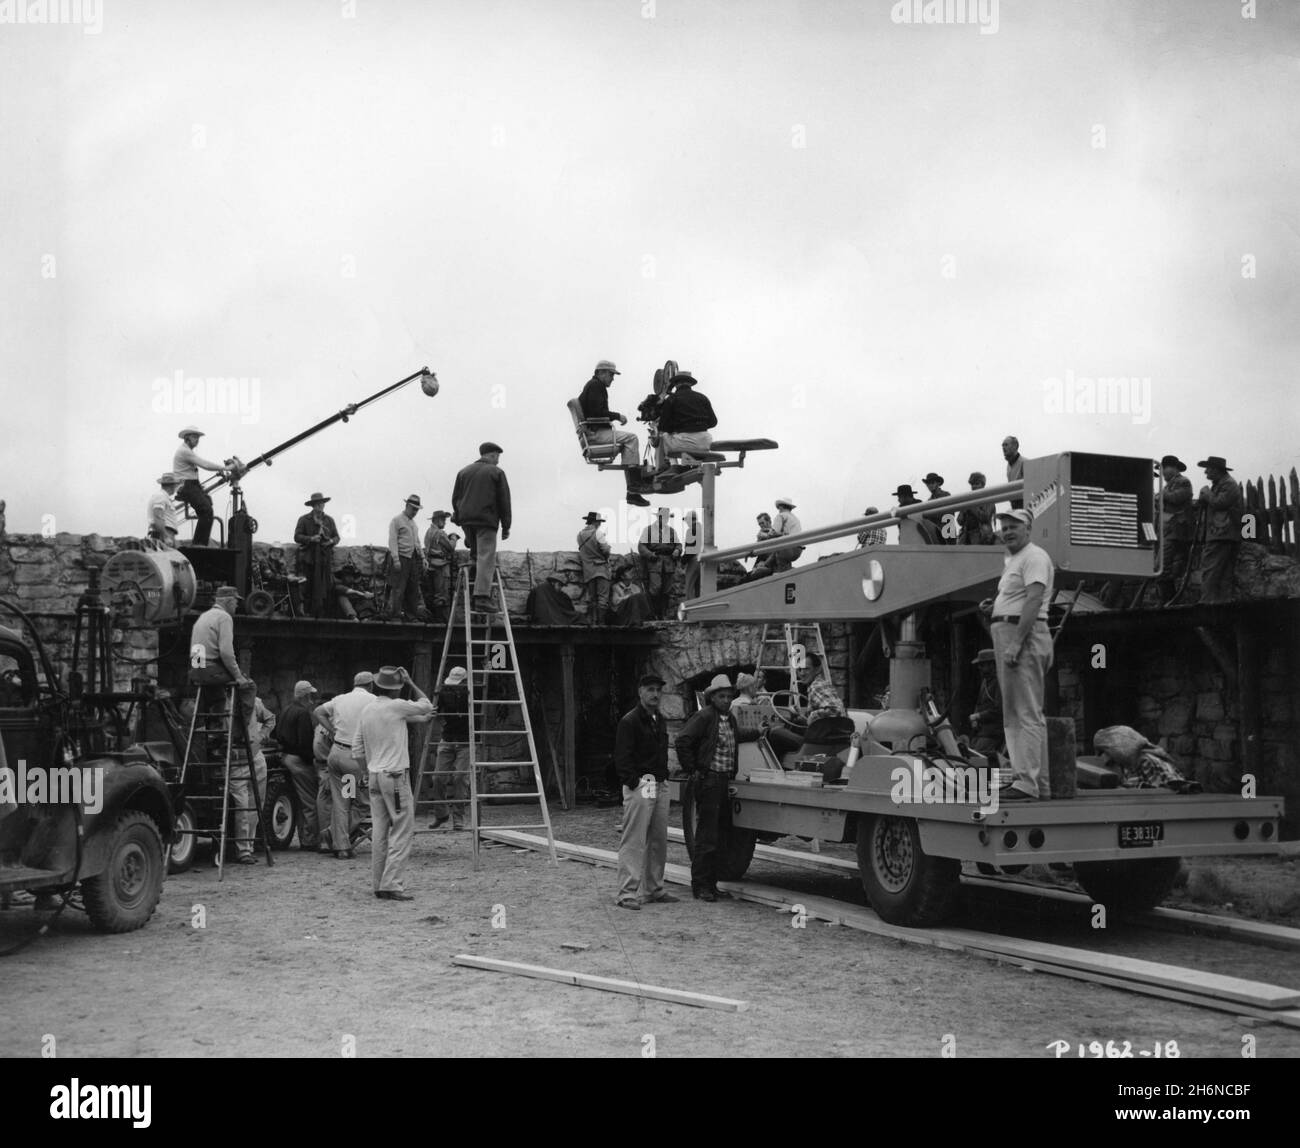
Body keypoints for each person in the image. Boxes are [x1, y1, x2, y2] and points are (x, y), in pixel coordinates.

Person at [984, 508, 1054, 800]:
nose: (1008, 531)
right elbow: (1022, 597)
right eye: (1004, 527)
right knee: (1018, 711)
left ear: (1028, 529)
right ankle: (1038, 782)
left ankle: (1027, 783)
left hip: (1022, 636)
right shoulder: (1016, 559)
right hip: (1010, 631)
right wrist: (997, 608)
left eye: (1014, 526)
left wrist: (1016, 644)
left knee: (1023, 713)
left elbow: (1034, 600)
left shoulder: (1034, 556)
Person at [352, 666, 435, 902]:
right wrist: (411, 681)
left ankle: (379, 883)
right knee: (402, 828)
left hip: (375, 774)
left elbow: (357, 747)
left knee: (379, 831)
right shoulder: (396, 706)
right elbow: (426, 704)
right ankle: (392, 884)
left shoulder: (368, 710)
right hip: (395, 776)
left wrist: (365, 771)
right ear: (397, 688)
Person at [674, 674, 760, 902]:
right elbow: (682, 741)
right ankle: (701, 885)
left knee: (720, 834)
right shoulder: (704, 717)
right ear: (712, 697)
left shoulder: (728, 718)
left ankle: (711, 884)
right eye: (721, 696)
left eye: (728, 696)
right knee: (706, 835)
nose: (726, 700)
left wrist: (759, 731)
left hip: (724, 781)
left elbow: (737, 736)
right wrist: (694, 770)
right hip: (709, 780)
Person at [613, 673, 676, 909]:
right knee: (634, 839)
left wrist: (664, 778)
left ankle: (653, 888)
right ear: (640, 692)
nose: (655, 694)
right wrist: (634, 782)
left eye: (658, 690)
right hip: (642, 783)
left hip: (659, 782)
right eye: (650, 690)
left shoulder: (659, 719)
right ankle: (626, 892)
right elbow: (622, 756)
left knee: (658, 840)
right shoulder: (629, 721)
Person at [315, 670, 378, 860]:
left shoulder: (340, 699)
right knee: (363, 802)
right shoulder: (373, 701)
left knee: (343, 800)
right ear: (371, 685)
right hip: (355, 758)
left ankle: (340, 844)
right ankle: (335, 836)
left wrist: (332, 730)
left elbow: (318, 712)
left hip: (337, 754)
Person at [578, 360, 651, 507]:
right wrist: (618, 416)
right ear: (601, 373)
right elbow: (596, 412)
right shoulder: (596, 386)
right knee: (632, 438)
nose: (613, 378)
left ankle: (633, 492)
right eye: (611, 374)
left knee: (628, 444)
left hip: (593, 431)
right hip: (595, 433)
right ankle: (634, 487)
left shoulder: (593, 386)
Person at [452, 442, 512, 615]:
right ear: (492, 455)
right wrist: (506, 526)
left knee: (475, 555)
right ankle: (481, 597)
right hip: (486, 520)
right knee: (486, 557)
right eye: (497, 457)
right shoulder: (496, 472)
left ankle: (472, 590)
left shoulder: (463, 472)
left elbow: (456, 497)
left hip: (467, 521)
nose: (498, 461)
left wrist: (459, 518)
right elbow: (504, 501)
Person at [275, 680, 323, 851]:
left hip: (285, 757)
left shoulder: (286, 709)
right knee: (310, 801)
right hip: (298, 760)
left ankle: (305, 837)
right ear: (307, 696)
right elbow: (305, 743)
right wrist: (313, 762)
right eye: (311, 695)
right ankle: (309, 840)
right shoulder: (302, 713)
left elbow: (276, 734)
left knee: (300, 800)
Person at [173, 426, 234, 546]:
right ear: (187, 438)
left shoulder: (187, 451)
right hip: (186, 485)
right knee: (206, 511)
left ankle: (200, 542)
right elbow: (205, 464)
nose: (197, 440)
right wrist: (224, 468)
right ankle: (199, 544)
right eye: (194, 437)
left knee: (207, 503)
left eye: (198, 437)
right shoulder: (184, 451)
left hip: (192, 484)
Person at [1196, 456, 1243, 604]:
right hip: (1222, 534)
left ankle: (1206, 607)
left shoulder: (1229, 484)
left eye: (1208, 468)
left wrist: (1206, 493)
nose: (1205, 472)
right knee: (1223, 575)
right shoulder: (1219, 485)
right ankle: (1220, 610)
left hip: (1221, 535)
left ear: (1216, 470)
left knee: (1210, 571)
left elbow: (1220, 503)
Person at [428, 666, 471, 831]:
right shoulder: (444, 691)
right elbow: (435, 710)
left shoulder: (473, 691)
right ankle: (441, 814)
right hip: (447, 739)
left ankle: (458, 818)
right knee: (438, 778)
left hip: (466, 740)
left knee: (460, 778)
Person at [655, 371, 717, 468]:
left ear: (676, 384)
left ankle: (674, 466)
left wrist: (674, 429)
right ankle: (693, 465)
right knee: (687, 441)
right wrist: (697, 425)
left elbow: (663, 426)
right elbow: (713, 422)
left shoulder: (672, 399)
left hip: (685, 443)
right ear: (690, 383)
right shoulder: (703, 397)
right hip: (706, 443)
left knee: (664, 435)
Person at [1155, 455, 1196, 603]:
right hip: (1168, 531)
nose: (1163, 472)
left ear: (1174, 468)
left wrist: (1160, 495)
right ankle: (1169, 602)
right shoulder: (1169, 485)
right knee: (1162, 568)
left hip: (1176, 532)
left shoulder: (1183, 482)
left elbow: (1176, 498)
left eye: (1164, 468)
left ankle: (1169, 603)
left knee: (1161, 568)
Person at [294, 493, 341, 618]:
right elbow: (297, 537)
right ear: (313, 506)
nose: (320, 506)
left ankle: (323, 613)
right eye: (317, 504)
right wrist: (311, 539)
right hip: (309, 558)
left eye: (322, 503)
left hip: (324, 558)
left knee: (325, 585)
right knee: (308, 585)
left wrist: (330, 541)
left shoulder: (329, 520)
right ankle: (308, 612)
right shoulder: (304, 519)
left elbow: (337, 537)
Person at [387, 494, 431, 623]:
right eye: (413, 509)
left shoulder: (413, 524)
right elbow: (392, 540)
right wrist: (395, 559)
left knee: (412, 588)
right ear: (407, 506)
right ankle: (395, 615)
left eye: (417, 510)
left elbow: (417, 542)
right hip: (401, 557)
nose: (415, 512)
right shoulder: (396, 520)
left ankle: (411, 615)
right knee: (398, 587)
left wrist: (423, 558)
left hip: (412, 558)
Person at [638, 507, 681, 618]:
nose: (665, 519)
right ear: (658, 517)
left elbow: (678, 545)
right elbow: (641, 546)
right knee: (655, 589)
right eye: (662, 517)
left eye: (666, 517)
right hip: (654, 563)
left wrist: (677, 550)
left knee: (667, 590)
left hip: (668, 564)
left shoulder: (671, 531)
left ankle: (663, 614)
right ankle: (653, 614)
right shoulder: (648, 530)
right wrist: (650, 555)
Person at [966, 650, 1005, 758]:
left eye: (982, 665)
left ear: (992, 665)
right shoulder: (985, 682)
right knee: (968, 752)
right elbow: (979, 704)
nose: (980, 668)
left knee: (977, 757)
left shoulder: (999, 682)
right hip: (982, 731)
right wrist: (975, 718)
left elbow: (999, 709)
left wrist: (978, 716)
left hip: (994, 731)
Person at [576, 511, 612, 625]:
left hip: (588, 570)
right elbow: (606, 550)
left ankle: (593, 622)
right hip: (601, 569)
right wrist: (606, 555)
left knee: (592, 598)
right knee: (602, 598)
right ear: (595, 522)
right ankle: (601, 624)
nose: (600, 524)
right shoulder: (598, 533)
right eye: (599, 522)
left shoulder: (580, 535)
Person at [423, 510, 457, 623]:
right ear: (437, 520)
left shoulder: (428, 532)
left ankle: (434, 619)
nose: (445, 522)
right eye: (443, 520)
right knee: (441, 594)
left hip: (430, 565)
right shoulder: (440, 533)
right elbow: (450, 547)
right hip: (440, 566)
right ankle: (441, 621)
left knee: (432, 593)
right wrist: (453, 537)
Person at [958, 473, 995, 545]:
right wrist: (963, 511)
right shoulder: (968, 500)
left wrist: (972, 508)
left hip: (981, 536)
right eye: (972, 484)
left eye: (977, 484)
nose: (974, 487)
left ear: (983, 485)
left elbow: (986, 517)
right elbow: (959, 521)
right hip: (966, 536)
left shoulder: (988, 499)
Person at [146, 473, 182, 547]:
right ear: (172, 485)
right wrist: (165, 537)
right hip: (163, 533)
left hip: (162, 533)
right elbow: (158, 517)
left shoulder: (163, 497)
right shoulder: (161, 496)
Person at [922, 472, 953, 544]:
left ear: (938, 483)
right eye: (928, 483)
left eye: (932, 482)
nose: (930, 485)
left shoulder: (946, 495)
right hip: (936, 535)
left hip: (947, 532)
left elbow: (949, 514)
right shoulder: (929, 501)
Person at [1003, 436, 1024, 509]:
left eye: (1006, 445)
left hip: (1023, 504)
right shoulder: (1008, 466)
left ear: (1015, 446)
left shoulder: (1024, 463)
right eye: (1003, 445)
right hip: (1014, 504)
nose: (1003, 448)